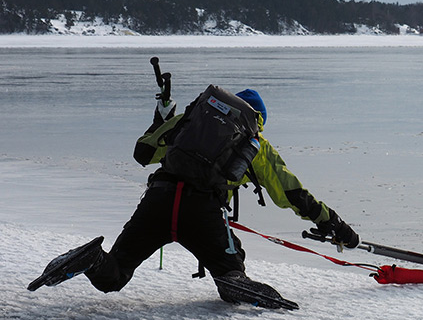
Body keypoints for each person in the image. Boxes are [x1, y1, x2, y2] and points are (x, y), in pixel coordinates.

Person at [28, 85, 359, 308]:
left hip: (158, 200)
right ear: (256, 122)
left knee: (113, 275)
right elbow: (292, 194)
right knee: (231, 269)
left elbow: (143, 153)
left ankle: (92, 260)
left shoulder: (187, 123)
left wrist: (160, 121)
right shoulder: (255, 143)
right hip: (202, 211)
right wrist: (334, 224)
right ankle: (233, 283)